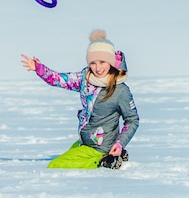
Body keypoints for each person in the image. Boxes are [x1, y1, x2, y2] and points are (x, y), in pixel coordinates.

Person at [20, 29, 139, 169]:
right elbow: (58, 79)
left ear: (111, 62)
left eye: (102, 62)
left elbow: (132, 120)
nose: (98, 68)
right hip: (86, 140)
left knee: (55, 165)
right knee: (70, 153)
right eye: (93, 63)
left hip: (101, 145)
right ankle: (114, 157)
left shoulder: (120, 90)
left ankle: (105, 161)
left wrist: (120, 143)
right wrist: (39, 68)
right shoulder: (85, 78)